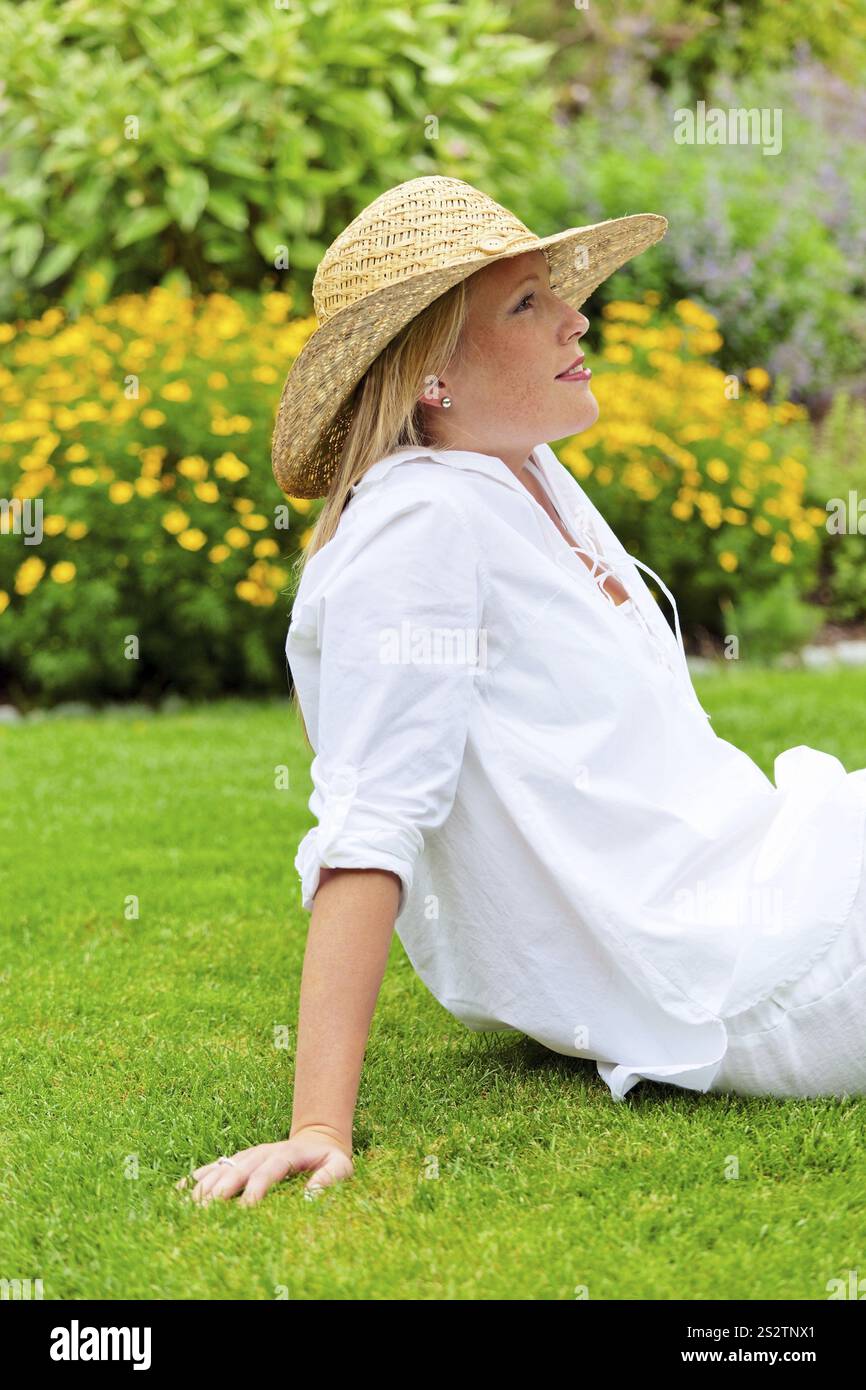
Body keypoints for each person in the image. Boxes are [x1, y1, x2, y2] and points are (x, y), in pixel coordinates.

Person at [177, 175, 866, 1209]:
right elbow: (372, 820)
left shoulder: (524, 468)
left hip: (780, 863)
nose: (575, 316)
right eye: (524, 304)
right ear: (429, 375)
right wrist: (316, 1124)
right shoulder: (416, 532)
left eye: (556, 291)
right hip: (741, 968)